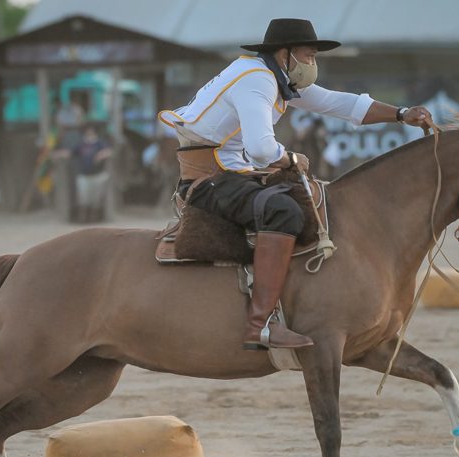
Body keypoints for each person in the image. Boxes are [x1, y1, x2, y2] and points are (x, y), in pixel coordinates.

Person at [158, 18, 432, 351]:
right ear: (285, 54)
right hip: (209, 181)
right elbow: (261, 148)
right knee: (283, 211)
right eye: (310, 55)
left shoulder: (273, 76)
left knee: (314, 199)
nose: (312, 63)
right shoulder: (257, 80)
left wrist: (401, 114)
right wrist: (290, 158)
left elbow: (336, 103)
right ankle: (259, 325)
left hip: (234, 174)